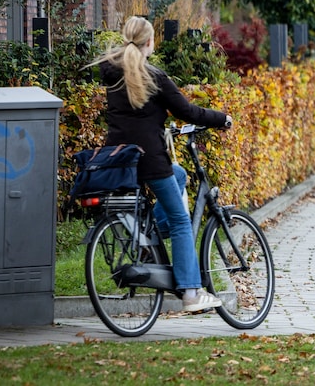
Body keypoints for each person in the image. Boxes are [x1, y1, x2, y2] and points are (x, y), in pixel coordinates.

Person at [87, 16, 232, 313]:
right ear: (150, 43)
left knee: (177, 175)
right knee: (180, 222)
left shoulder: (114, 75)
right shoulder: (154, 77)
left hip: (120, 159)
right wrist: (222, 118)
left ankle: (147, 238)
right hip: (150, 159)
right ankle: (191, 293)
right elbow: (188, 111)